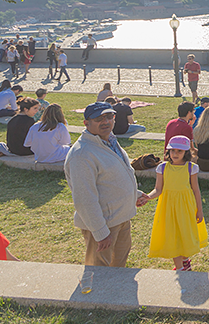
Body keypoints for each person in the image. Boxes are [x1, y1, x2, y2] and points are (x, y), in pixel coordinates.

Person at [64, 102, 150, 267]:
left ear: (115, 118)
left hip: (121, 218)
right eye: (98, 118)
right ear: (86, 123)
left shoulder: (108, 140)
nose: (105, 121)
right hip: (103, 225)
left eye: (108, 116)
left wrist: (135, 194)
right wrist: (100, 232)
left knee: (118, 268)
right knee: (99, 273)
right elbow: (84, 198)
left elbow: (114, 176)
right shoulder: (82, 154)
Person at [145, 135, 207, 271]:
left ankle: (185, 260)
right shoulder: (162, 168)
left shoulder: (191, 168)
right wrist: (148, 197)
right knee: (172, 235)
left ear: (186, 153)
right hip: (168, 207)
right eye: (172, 151)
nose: (175, 154)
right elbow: (158, 189)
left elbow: (196, 190)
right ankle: (179, 267)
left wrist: (199, 210)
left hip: (186, 207)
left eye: (179, 151)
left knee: (184, 233)